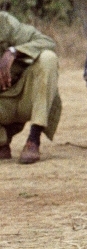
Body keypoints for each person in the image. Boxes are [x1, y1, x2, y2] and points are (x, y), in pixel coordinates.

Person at [0, 11, 62, 164]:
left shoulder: (6, 23)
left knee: (48, 58)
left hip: (25, 96)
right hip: (3, 106)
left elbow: (47, 42)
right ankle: (2, 142)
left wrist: (13, 52)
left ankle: (33, 140)